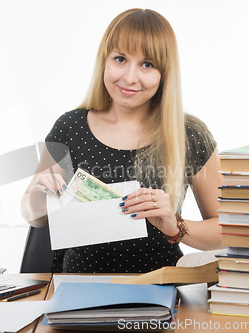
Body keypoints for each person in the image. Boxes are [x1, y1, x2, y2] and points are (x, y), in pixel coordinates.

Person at [21, 8, 223, 273]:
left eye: (147, 65)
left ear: (165, 73)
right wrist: (36, 197)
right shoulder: (70, 127)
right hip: (78, 288)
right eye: (120, 59)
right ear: (104, 60)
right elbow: (31, 214)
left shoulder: (190, 134)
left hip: (160, 286)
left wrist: (176, 225)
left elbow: (228, 230)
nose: (129, 77)